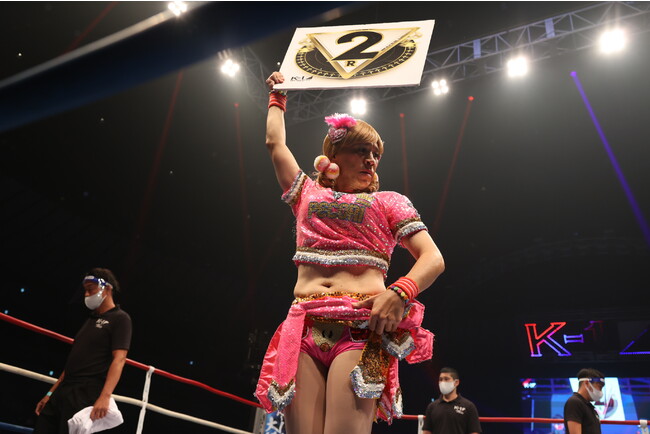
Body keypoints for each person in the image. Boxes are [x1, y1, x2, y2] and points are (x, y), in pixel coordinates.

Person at [254, 71, 445, 434]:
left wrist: (399, 292)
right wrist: (277, 98)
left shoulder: (389, 202)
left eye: (376, 154)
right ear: (334, 154)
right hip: (304, 325)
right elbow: (274, 144)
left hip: (359, 328)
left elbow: (433, 259)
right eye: (361, 151)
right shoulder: (306, 192)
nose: (371, 160)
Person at [34, 268, 132, 433]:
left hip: (85, 392)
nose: (86, 294)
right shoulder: (91, 319)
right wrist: (50, 394)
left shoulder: (120, 318)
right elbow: (73, 361)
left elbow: (119, 359)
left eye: (90, 289)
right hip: (63, 390)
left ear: (107, 288)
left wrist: (105, 396)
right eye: (85, 290)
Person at [422, 367, 482, 434]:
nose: (442, 382)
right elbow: (427, 431)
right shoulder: (432, 406)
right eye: (440, 379)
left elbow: (474, 432)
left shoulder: (469, 406)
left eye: (446, 379)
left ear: (456, 382)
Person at [563, 368, 605, 434]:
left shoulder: (589, 406)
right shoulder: (574, 402)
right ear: (587, 383)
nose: (600, 391)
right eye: (599, 387)